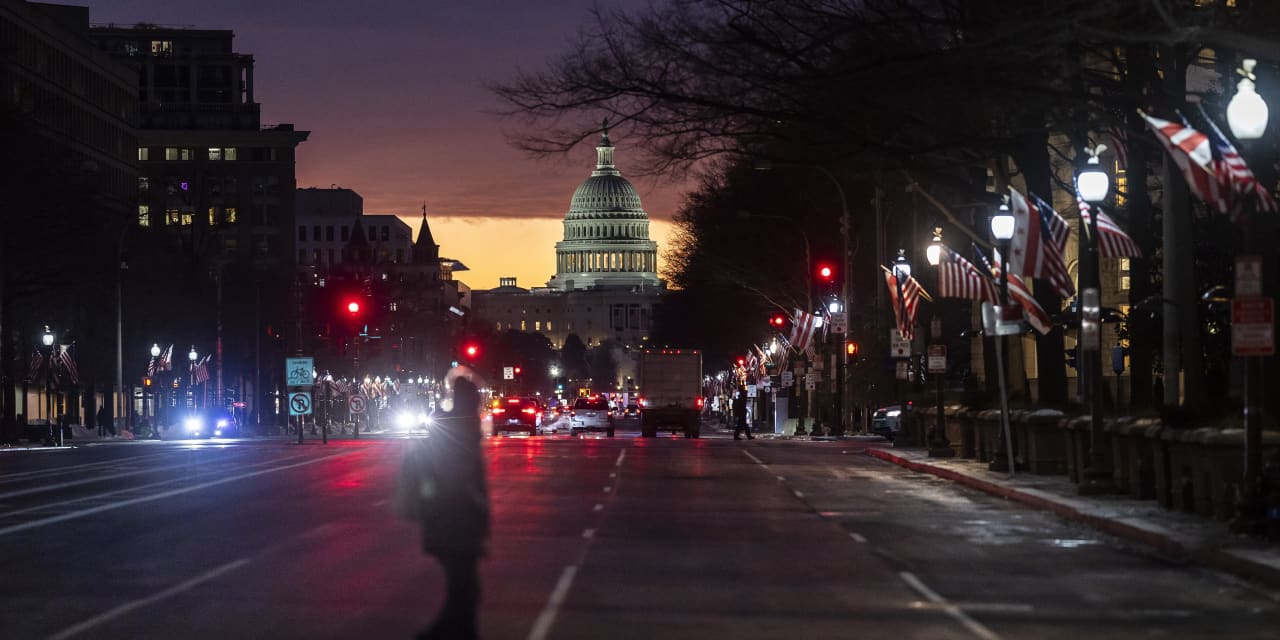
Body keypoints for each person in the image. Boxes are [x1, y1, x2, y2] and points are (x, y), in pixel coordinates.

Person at [397, 367, 490, 640]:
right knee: (465, 587)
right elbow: (457, 480)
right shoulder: (459, 430)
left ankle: (448, 633)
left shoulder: (464, 427)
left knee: (464, 587)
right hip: (453, 519)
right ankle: (452, 634)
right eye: (474, 398)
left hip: (455, 519)